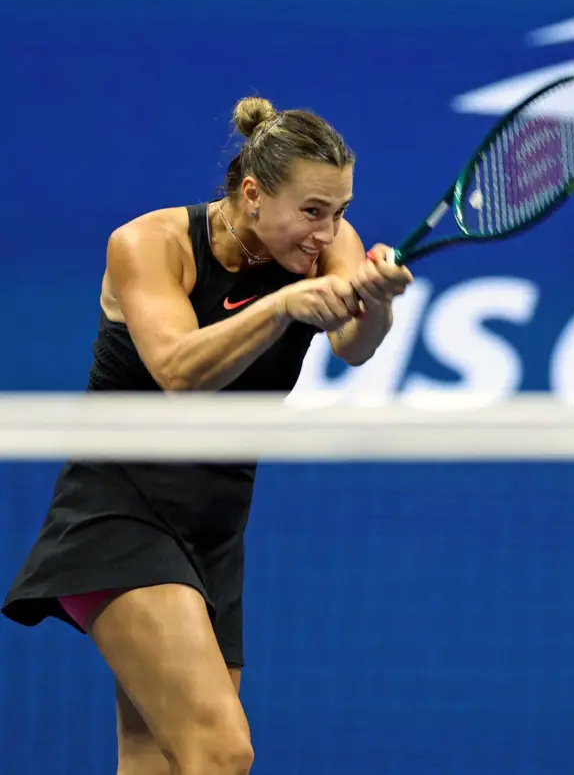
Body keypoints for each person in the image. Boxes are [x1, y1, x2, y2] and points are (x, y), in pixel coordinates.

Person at [2, 95, 413, 774]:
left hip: (215, 528)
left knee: (155, 757)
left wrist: (379, 304)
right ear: (253, 194)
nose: (328, 230)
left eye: (339, 210)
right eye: (312, 210)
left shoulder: (326, 246)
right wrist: (283, 305)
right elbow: (179, 371)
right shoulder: (149, 244)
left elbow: (354, 346)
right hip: (118, 510)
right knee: (221, 752)